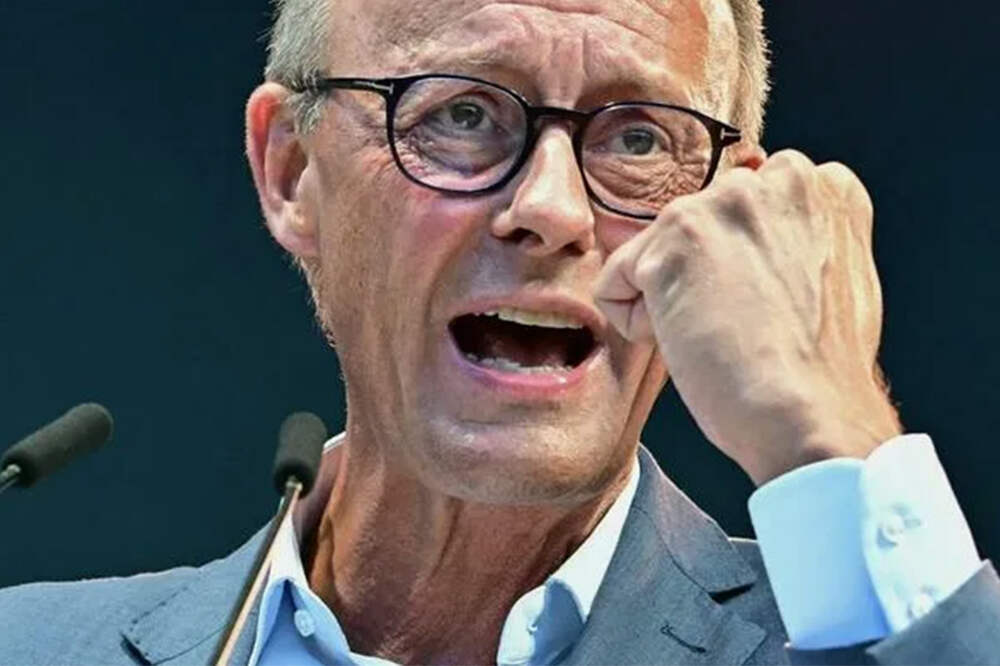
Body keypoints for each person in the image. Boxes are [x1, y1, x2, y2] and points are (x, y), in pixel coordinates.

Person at [2, 0, 998, 664]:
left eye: (639, 137)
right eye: (463, 116)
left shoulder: (868, 638)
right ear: (294, 173)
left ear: (735, 217)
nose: (552, 209)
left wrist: (832, 437)